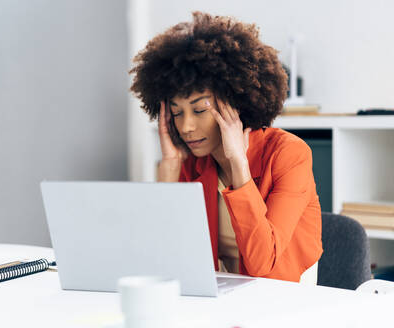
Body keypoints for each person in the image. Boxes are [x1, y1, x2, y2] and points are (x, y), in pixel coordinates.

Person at [129, 11, 322, 283]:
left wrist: (238, 165)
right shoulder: (191, 162)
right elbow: (160, 259)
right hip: (216, 296)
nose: (185, 127)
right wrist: (169, 167)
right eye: (177, 112)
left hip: (276, 297)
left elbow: (262, 263)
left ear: (235, 102)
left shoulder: (288, 154)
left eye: (198, 110)